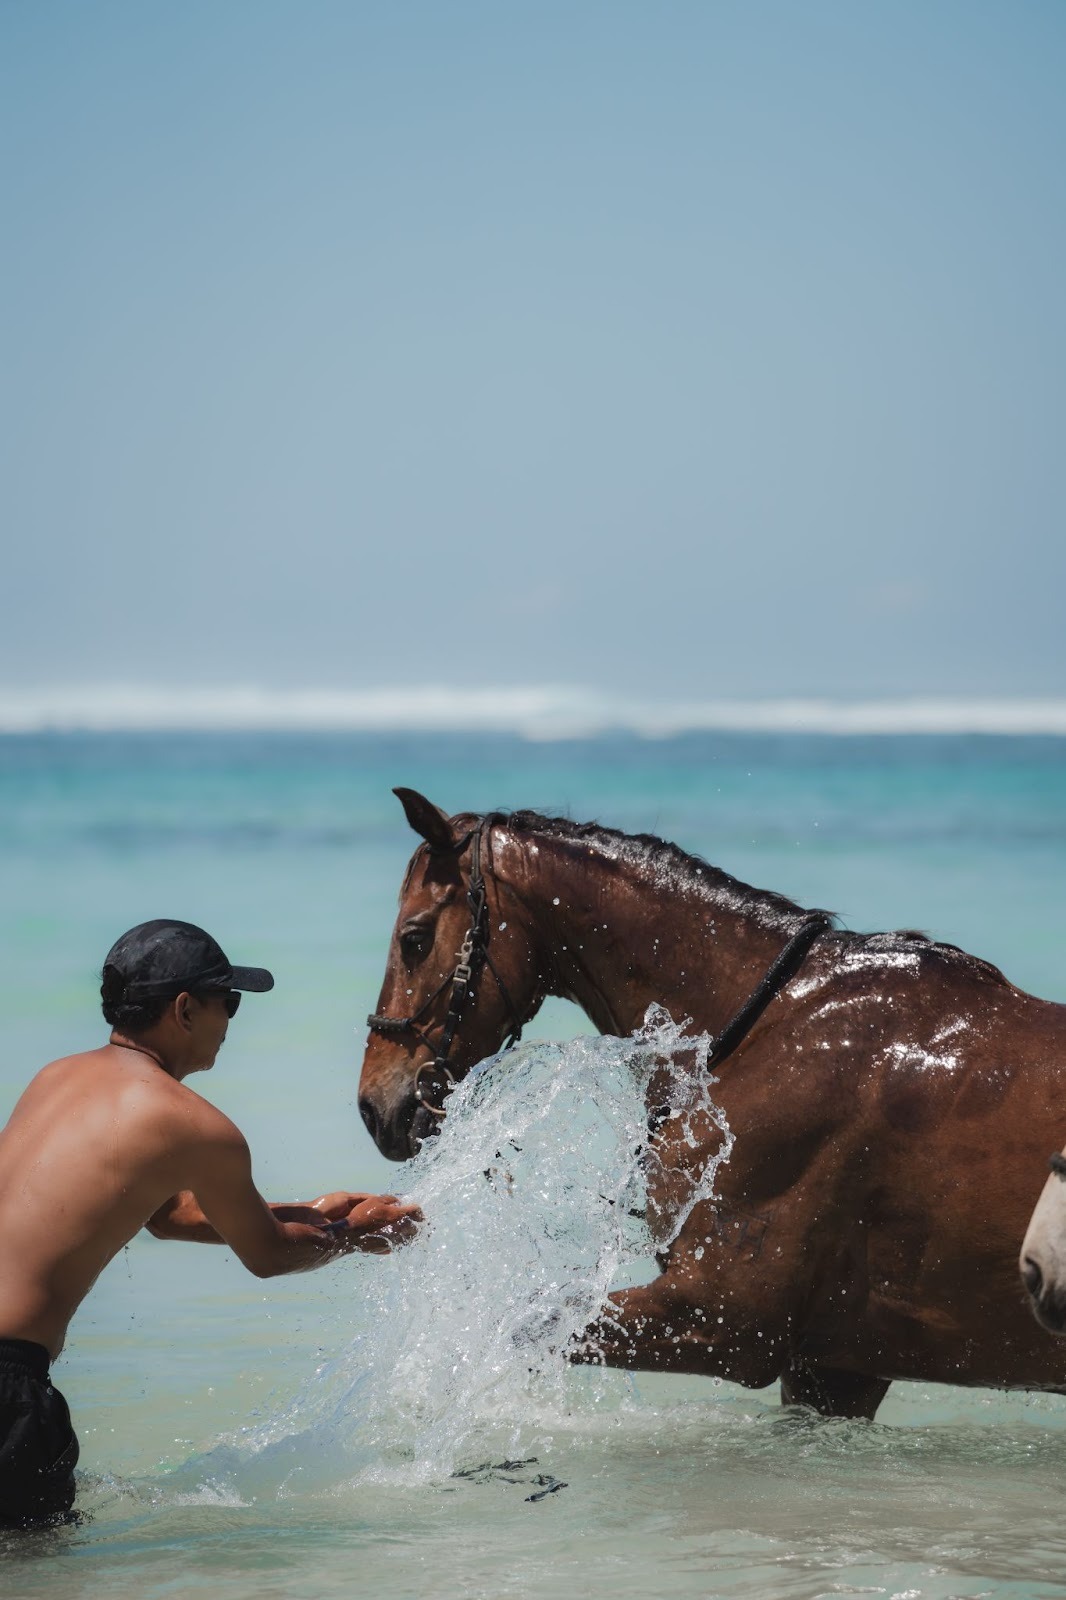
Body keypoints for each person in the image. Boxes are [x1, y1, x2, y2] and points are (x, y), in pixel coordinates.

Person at [0, 919, 420, 1530]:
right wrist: (359, 1236)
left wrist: (312, 1212)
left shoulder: (54, 1078)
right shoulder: (193, 1123)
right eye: (230, 1001)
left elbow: (167, 1215)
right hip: (8, 1387)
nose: (230, 1021)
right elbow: (269, 1256)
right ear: (184, 1009)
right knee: (37, 1570)